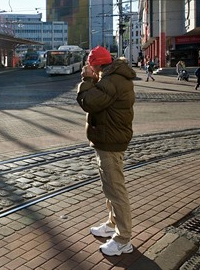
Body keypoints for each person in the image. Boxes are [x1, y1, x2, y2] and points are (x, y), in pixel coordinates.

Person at [76, 46, 136, 256]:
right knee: (110, 188)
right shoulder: (111, 77)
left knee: (116, 190)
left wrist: (87, 80)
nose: (90, 69)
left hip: (110, 141)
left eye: (91, 66)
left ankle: (123, 239)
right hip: (107, 140)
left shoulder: (111, 81)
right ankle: (112, 224)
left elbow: (89, 102)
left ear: (97, 65)